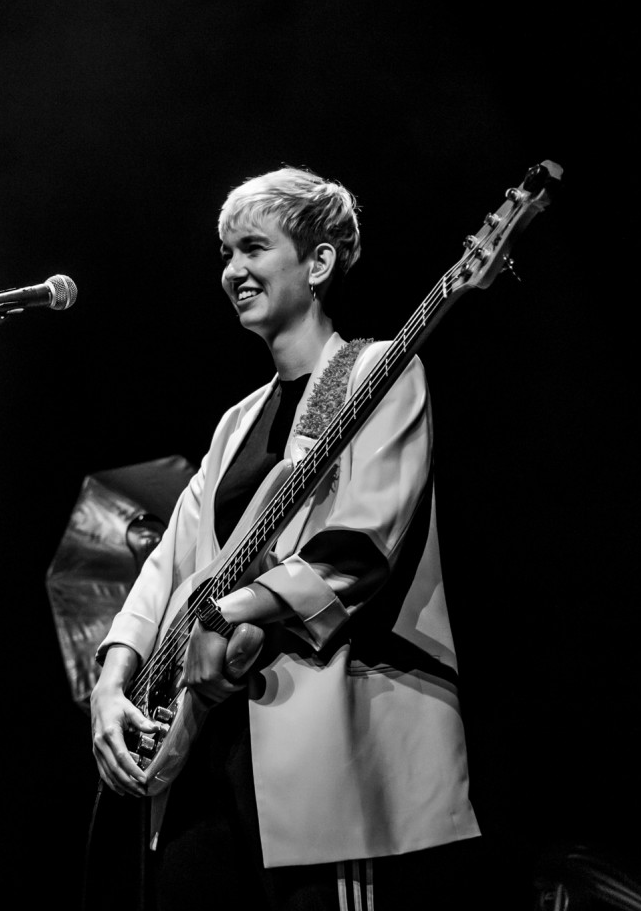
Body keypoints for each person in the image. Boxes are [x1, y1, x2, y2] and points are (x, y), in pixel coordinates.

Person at [90, 168, 481, 910]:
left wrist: (228, 614)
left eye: (253, 248)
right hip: (203, 741)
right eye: (225, 252)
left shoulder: (381, 372)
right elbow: (170, 559)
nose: (232, 270)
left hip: (317, 736)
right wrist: (112, 680)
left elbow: (361, 544)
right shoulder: (236, 423)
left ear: (320, 262)